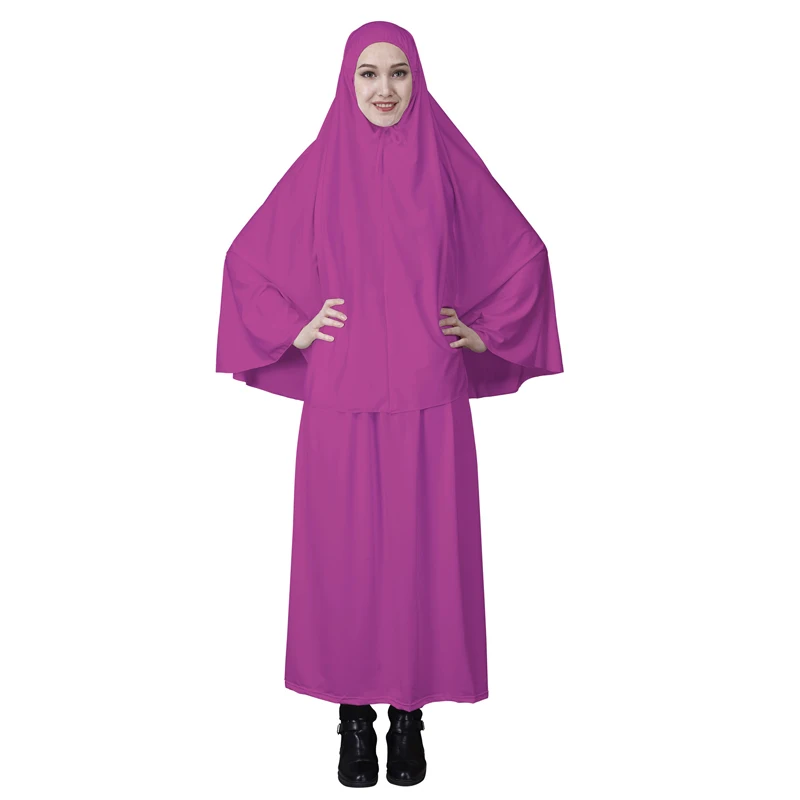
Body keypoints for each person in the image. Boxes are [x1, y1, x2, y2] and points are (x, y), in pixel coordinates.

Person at [215, 20, 564, 787]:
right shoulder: (320, 167)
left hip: (429, 390)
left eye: (398, 73)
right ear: (348, 81)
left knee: (421, 558)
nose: (383, 89)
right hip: (341, 395)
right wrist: (296, 326)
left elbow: (525, 254)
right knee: (344, 559)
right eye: (368, 74)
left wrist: (481, 331)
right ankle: (352, 719)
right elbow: (245, 261)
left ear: (417, 79)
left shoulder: (448, 163)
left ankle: (408, 717)